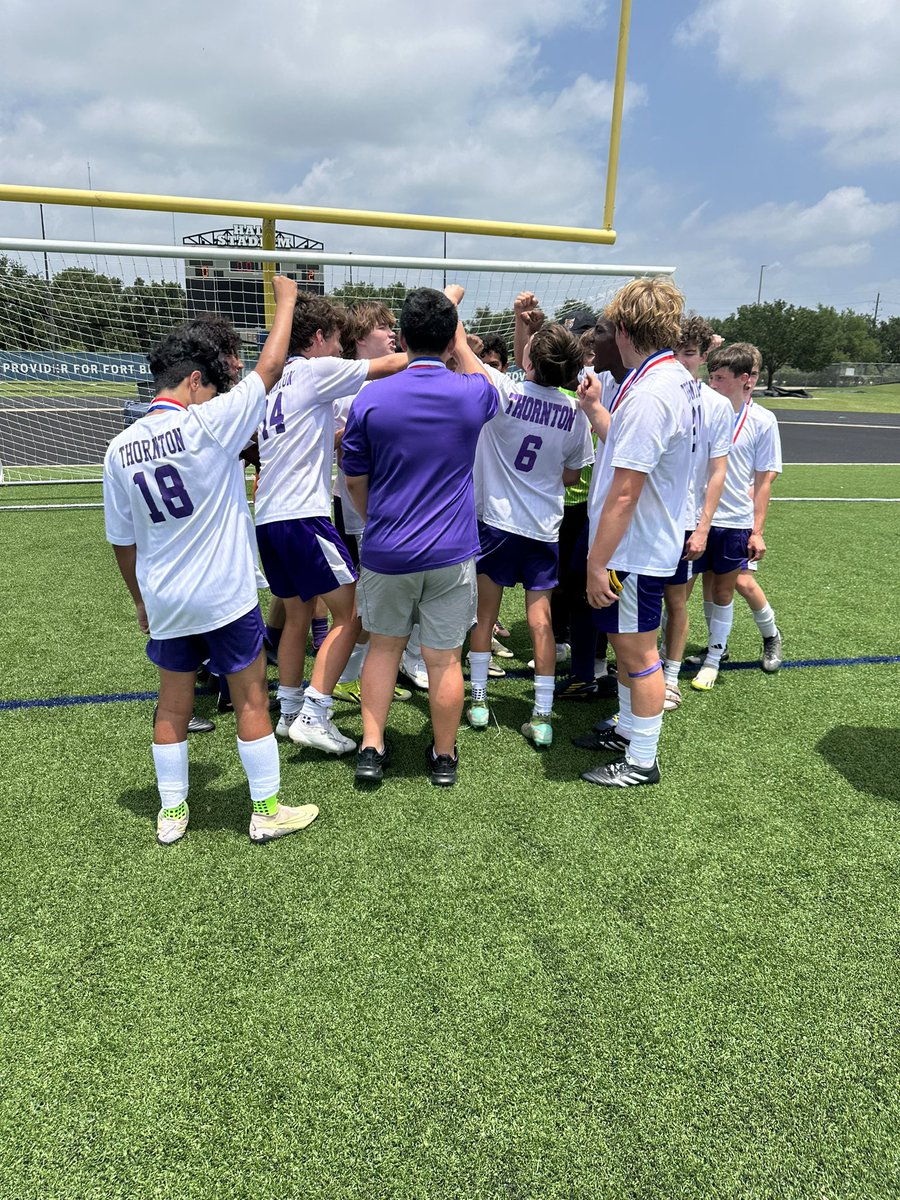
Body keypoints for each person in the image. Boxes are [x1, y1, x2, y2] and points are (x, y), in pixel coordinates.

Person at [103, 277, 319, 845]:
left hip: (167, 597)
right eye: (208, 385)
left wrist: (141, 602)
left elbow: (122, 543)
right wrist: (288, 301)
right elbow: (268, 369)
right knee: (251, 697)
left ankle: (172, 814)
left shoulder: (118, 449)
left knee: (172, 703)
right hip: (223, 594)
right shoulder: (208, 422)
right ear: (194, 381)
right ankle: (266, 810)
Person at [342, 285, 499, 786]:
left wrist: (378, 519)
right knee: (443, 658)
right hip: (451, 552)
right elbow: (481, 377)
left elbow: (353, 480)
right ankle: (445, 756)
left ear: (403, 336)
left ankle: (372, 746)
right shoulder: (472, 394)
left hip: (387, 548)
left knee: (384, 648)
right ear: (450, 337)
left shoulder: (371, 397)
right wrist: (460, 341)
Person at [253, 292, 407, 755]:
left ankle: (287, 710)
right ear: (318, 338)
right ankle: (315, 713)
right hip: (303, 515)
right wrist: (427, 346)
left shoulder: (277, 382)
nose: (342, 348)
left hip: (269, 518)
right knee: (353, 611)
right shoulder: (314, 369)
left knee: (299, 614)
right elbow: (385, 367)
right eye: (338, 339)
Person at [573, 276, 693, 788]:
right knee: (627, 647)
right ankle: (628, 733)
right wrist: (596, 409)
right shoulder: (667, 380)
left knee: (639, 654)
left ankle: (642, 760)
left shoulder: (650, 392)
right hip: (641, 544)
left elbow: (625, 492)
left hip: (634, 549)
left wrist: (597, 563)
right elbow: (626, 448)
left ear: (624, 329)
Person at [467, 299, 593, 747]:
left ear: (528, 362)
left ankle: (479, 701)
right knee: (540, 621)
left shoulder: (506, 391)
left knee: (485, 615)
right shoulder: (576, 413)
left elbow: (465, 352)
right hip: (544, 528)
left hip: (498, 524)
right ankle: (542, 715)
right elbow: (574, 475)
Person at [687, 341, 782, 690]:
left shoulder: (762, 420)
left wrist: (757, 530)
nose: (713, 384)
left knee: (732, 587)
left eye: (720, 378)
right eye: (711, 376)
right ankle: (717, 648)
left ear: (745, 380)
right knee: (701, 588)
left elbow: (763, 479)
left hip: (735, 521)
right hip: (698, 519)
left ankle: (763, 638)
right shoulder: (705, 410)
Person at [658, 315, 731, 710]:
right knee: (637, 599)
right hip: (649, 516)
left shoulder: (717, 405)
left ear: (704, 356)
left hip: (685, 519)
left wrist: (703, 527)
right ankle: (641, 670)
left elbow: (717, 470)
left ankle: (669, 679)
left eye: (688, 353)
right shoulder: (656, 391)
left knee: (677, 599)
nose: (680, 360)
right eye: (674, 351)